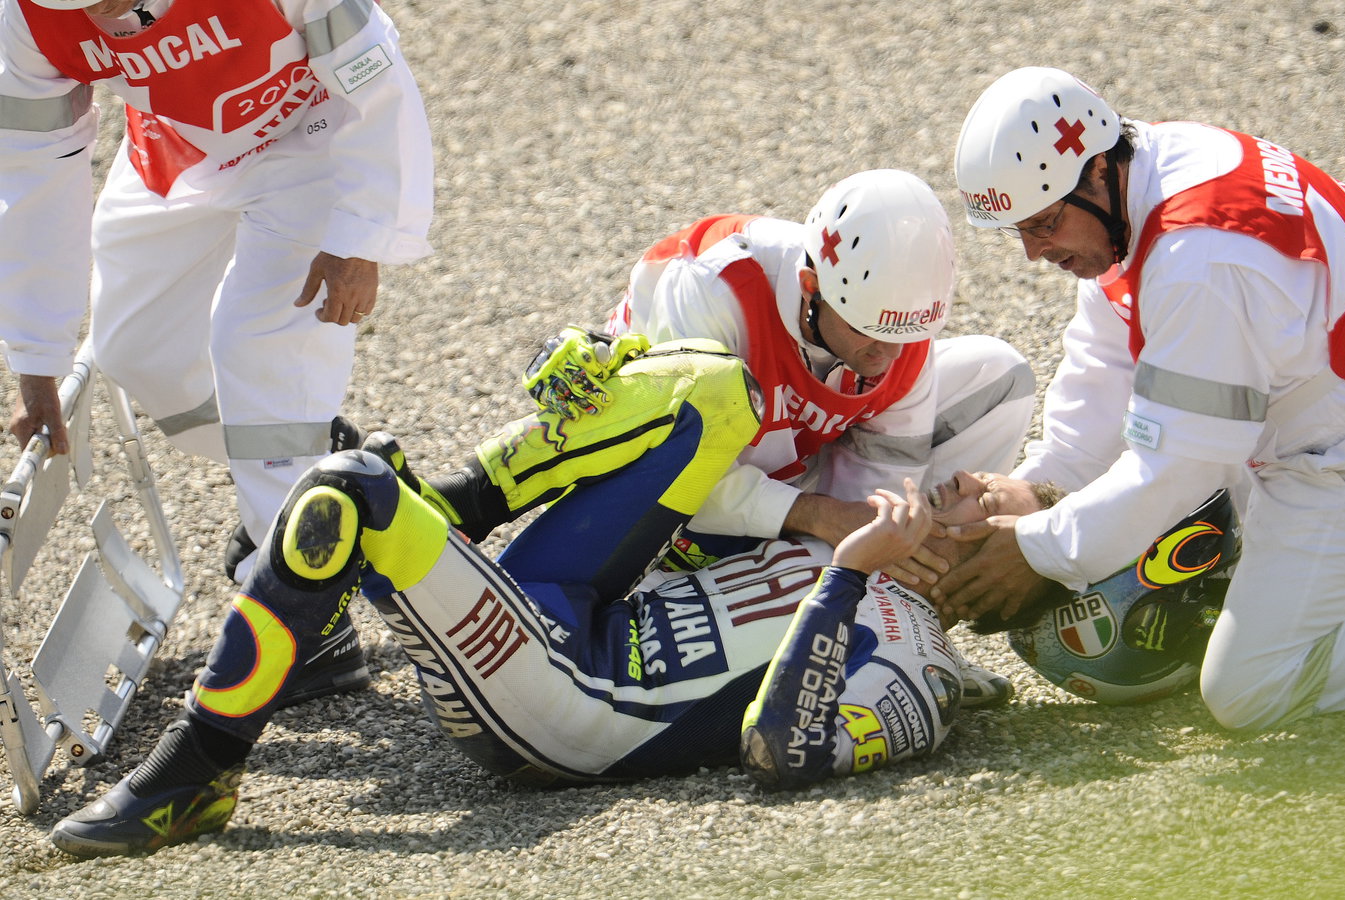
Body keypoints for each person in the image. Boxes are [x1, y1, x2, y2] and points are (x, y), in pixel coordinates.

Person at [49, 338, 1026, 857]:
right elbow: (691, 505)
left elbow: (784, 750)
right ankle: (445, 509)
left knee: (346, 490)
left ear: (985, 565)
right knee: (710, 393)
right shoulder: (838, 540)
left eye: (979, 499)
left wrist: (850, 569)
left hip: (572, 696)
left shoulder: (923, 670)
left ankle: (197, 770)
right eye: (973, 477)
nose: (954, 486)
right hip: (574, 607)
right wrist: (618, 363)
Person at [936, 66, 1345, 731]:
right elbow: (1104, 378)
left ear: (1097, 172)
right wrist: (1034, 496)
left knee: (1248, 688)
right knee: (1138, 507)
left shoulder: (1199, 260)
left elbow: (1178, 467)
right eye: (1017, 230)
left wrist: (1039, 551)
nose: (1033, 252)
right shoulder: (1142, 180)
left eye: (1044, 223)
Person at [0, 0, 433, 700]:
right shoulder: (26, 19)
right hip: (176, 146)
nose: (102, 13)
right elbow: (32, 172)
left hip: (308, 135)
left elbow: (375, 80)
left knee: (259, 350)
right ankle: (315, 474)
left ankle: (305, 617)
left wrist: (361, 238)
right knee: (133, 348)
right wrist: (35, 358)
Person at [587, 168, 1037, 566]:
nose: (890, 356)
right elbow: (672, 475)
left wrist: (871, 541)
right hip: (661, 490)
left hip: (792, 465)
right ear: (811, 288)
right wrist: (820, 516)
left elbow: (874, 494)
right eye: (867, 330)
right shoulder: (713, 289)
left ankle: (917, 595)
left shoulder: (900, 329)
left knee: (1000, 377)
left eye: (907, 335)